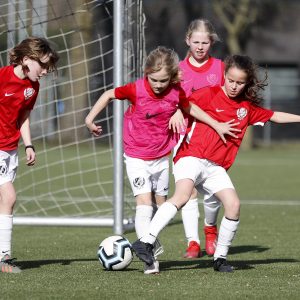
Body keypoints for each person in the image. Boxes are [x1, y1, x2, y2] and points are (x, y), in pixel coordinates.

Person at [132, 54, 300, 273]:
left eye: (239, 83)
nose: (234, 86)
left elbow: (274, 115)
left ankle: (220, 259)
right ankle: (145, 242)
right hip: (191, 156)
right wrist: (176, 112)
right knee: (182, 196)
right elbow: (183, 103)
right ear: (224, 76)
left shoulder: (246, 108)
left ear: (246, 83)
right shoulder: (208, 94)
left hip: (215, 167)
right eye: (231, 80)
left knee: (233, 205)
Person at [85, 46, 239, 275]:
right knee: (144, 204)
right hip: (136, 156)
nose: (158, 85)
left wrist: (214, 124)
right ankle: (149, 258)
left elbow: (189, 107)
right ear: (146, 73)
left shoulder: (176, 91)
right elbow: (109, 95)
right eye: (153, 79)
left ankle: (149, 243)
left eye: (163, 80)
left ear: (173, 77)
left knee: (161, 206)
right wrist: (89, 119)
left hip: (161, 157)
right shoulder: (135, 89)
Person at [0, 37, 59, 273]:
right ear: (26, 59)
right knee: (9, 197)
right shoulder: (2, 77)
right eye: (42, 65)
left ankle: (3, 257)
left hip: (9, 149)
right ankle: (4, 257)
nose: (45, 71)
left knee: (6, 200)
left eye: (47, 67)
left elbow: (23, 115)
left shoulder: (32, 87)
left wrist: (28, 145)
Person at [176, 19, 225, 258]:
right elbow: (170, 99)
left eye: (205, 42)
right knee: (188, 191)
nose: (200, 46)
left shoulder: (221, 69)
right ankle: (193, 243)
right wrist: (175, 110)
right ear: (187, 40)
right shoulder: (177, 70)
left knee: (213, 190)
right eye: (196, 41)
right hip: (182, 136)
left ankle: (210, 230)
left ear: (211, 42)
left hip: (213, 136)